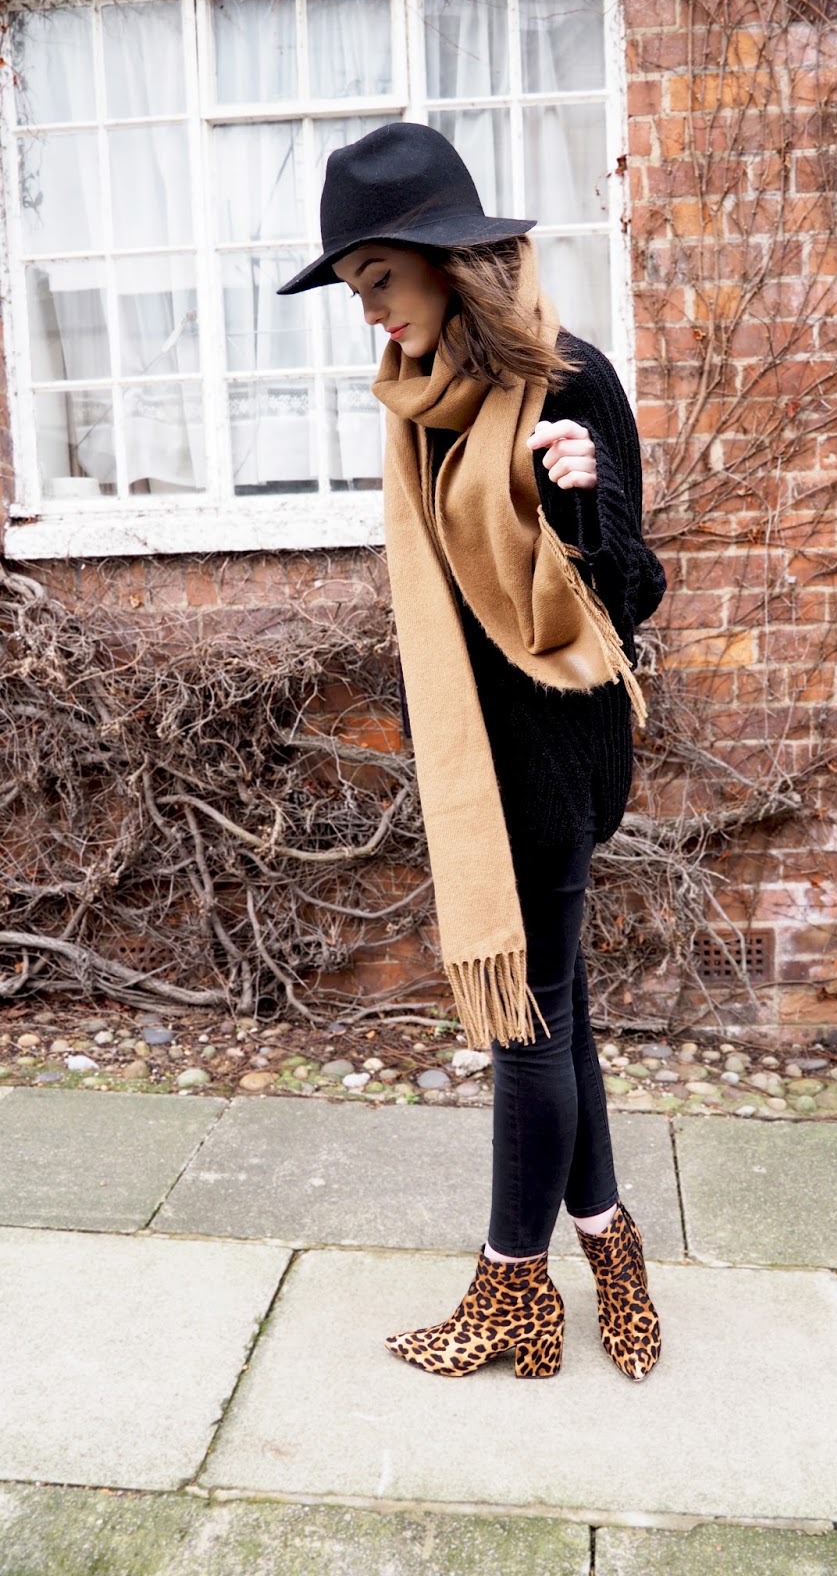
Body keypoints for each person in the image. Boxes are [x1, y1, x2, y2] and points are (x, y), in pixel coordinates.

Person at [279, 122, 667, 1382]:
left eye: (378, 281)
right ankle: (610, 1252)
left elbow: (631, 594)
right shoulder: (421, 407)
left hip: (555, 747)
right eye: (355, 290)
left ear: (449, 263)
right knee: (558, 1012)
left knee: (527, 1028)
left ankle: (510, 1291)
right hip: (481, 751)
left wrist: (581, 500)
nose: (369, 313)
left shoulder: (569, 381)